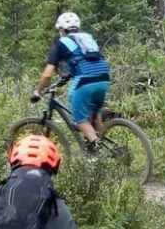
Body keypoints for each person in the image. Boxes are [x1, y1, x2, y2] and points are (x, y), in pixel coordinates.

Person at [38, 9, 112, 151]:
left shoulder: (61, 43)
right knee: (94, 113)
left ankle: (100, 152)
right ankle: (101, 146)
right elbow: (87, 61)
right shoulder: (87, 38)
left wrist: (37, 91)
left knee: (79, 119)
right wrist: (64, 79)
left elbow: (47, 75)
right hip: (104, 77)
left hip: (85, 80)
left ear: (61, 30)